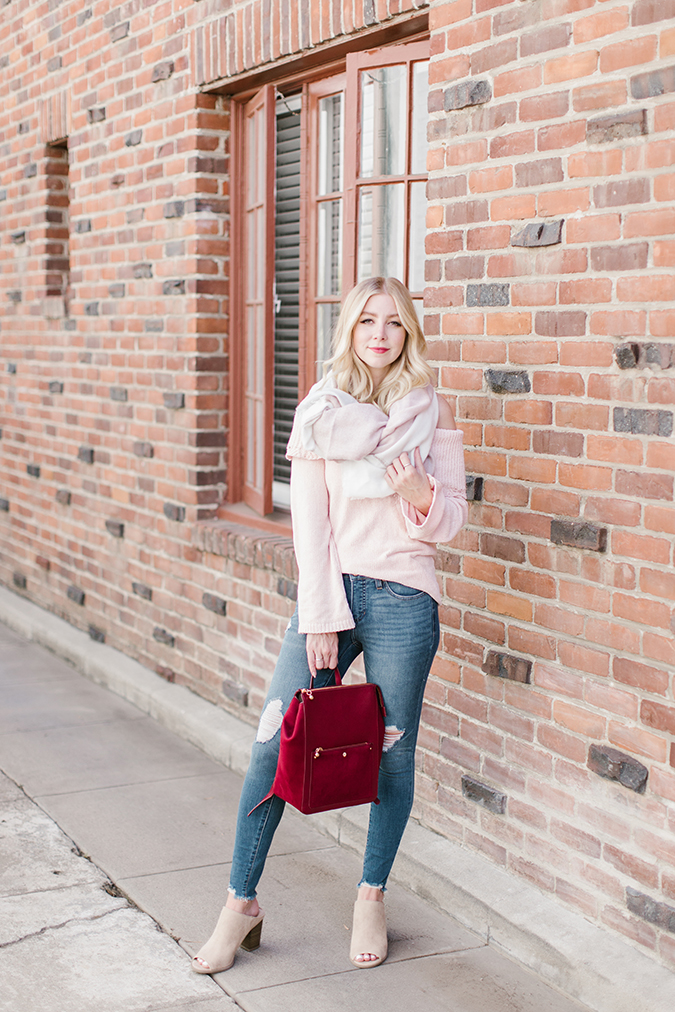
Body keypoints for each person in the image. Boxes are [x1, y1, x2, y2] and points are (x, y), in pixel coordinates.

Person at [191, 276, 467, 973]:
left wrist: (419, 494)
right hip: (330, 598)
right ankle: (239, 904)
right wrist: (319, 615)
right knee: (270, 747)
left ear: (409, 334)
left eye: (394, 323)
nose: (380, 332)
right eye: (367, 320)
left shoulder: (430, 413)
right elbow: (308, 525)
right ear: (349, 330)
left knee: (393, 755)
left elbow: (450, 523)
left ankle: (370, 895)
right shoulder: (319, 411)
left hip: (405, 598)